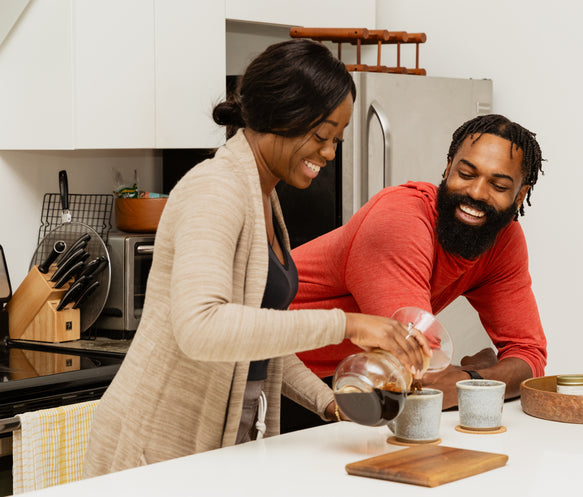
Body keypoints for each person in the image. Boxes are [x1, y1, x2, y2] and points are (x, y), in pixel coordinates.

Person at [82, 39, 430, 478]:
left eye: (337, 140)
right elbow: (201, 326)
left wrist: (329, 403)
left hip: (223, 444)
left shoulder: (263, 197)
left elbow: (263, 346)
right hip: (156, 447)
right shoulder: (217, 189)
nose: (329, 153)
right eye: (321, 135)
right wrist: (349, 323)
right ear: (282, 115)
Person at [289, 114, 547, 413]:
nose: (476, 193)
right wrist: (487, 373)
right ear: (448, 167)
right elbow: (418, 369)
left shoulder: (504, 241)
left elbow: (530, 358)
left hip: (335, 382)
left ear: (520, 196)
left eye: (499, 186)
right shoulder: (399, 218)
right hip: (266, 368)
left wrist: (472, 377)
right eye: (466, 174)